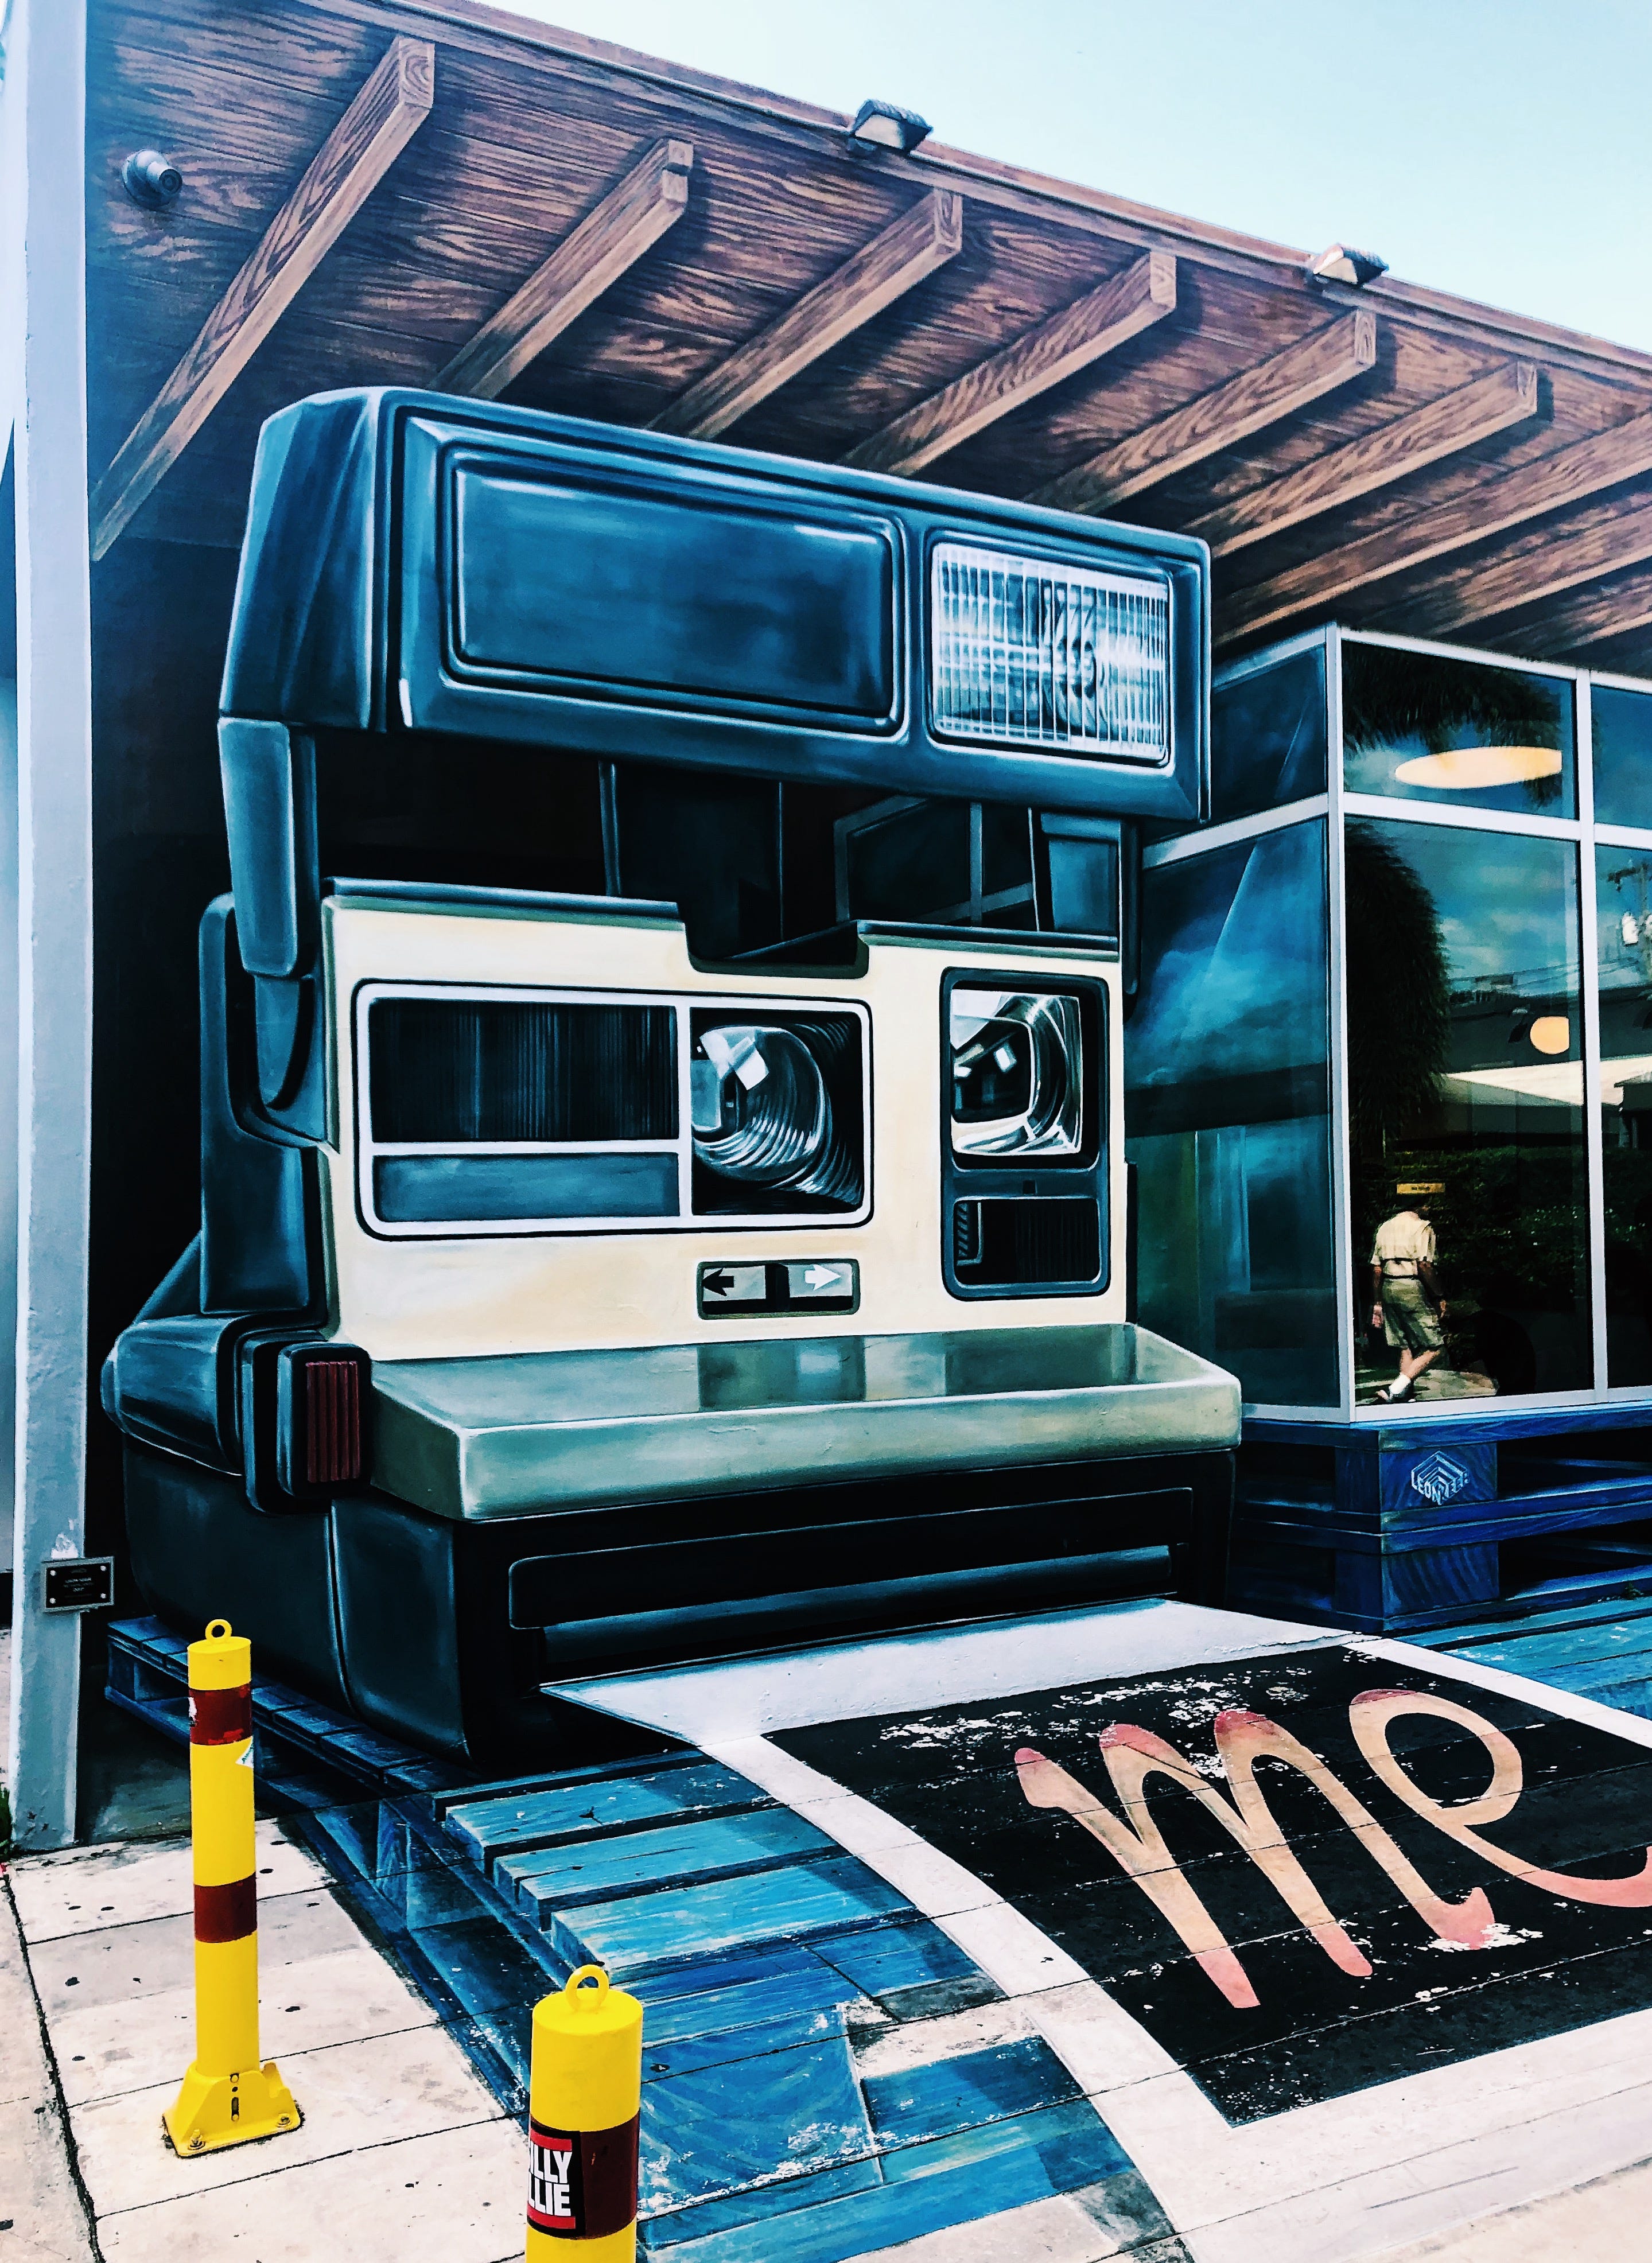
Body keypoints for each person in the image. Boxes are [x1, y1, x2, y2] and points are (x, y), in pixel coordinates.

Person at [1370, 1197, 1447, 1403]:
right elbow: (1424, 1266)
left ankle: (1405, 1396)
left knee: (1404, 1346)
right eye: (1427, 1204)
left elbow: (1377, 1269)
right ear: (1419, 1205)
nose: (1430, 1207)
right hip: (1410, 1286)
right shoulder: (1422, 1228)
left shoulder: (1385, 1227)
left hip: (1388, 1287)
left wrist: (1378, 1302)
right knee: (1435, 1346)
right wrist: (1438, 1296)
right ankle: (1394, 1389)